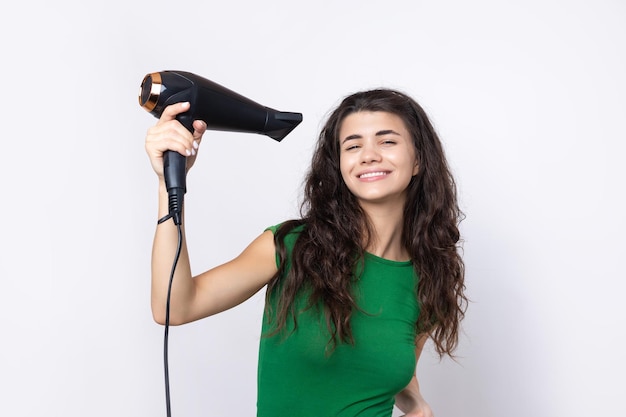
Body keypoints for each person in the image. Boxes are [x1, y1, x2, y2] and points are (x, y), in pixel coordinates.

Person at [145, 88, 467, 417]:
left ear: (418, 161)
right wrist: (167, 185)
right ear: (339, 165)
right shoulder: (293, 247)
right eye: (353, 145)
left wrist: (417, 404)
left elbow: (392, 366)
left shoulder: (428, 276)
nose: (368, 155)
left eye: (387, 141)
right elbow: (173, 307)